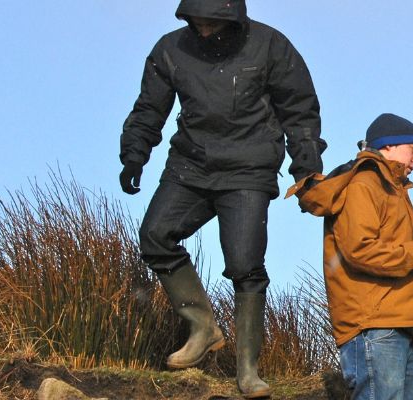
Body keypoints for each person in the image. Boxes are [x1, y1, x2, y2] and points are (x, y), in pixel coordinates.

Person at [118, 1, 325, 397]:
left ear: (233, 18)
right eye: (198, 22)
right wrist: (134, 153)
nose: (206, 29)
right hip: (190, 166)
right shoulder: (170, 49)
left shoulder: (270, 46)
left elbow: (299, 110)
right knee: (155, 235)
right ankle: (203, 326)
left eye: (214, 22)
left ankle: (248, 371)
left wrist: (306, 169)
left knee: (245, 265)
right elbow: (149, 108)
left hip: (249, 168)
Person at [291, 113, 413, 400]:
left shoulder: (390, 187)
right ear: (388, 147)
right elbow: (360, 250)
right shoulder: (365, 184)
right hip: (375, 324)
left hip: (395, 321)